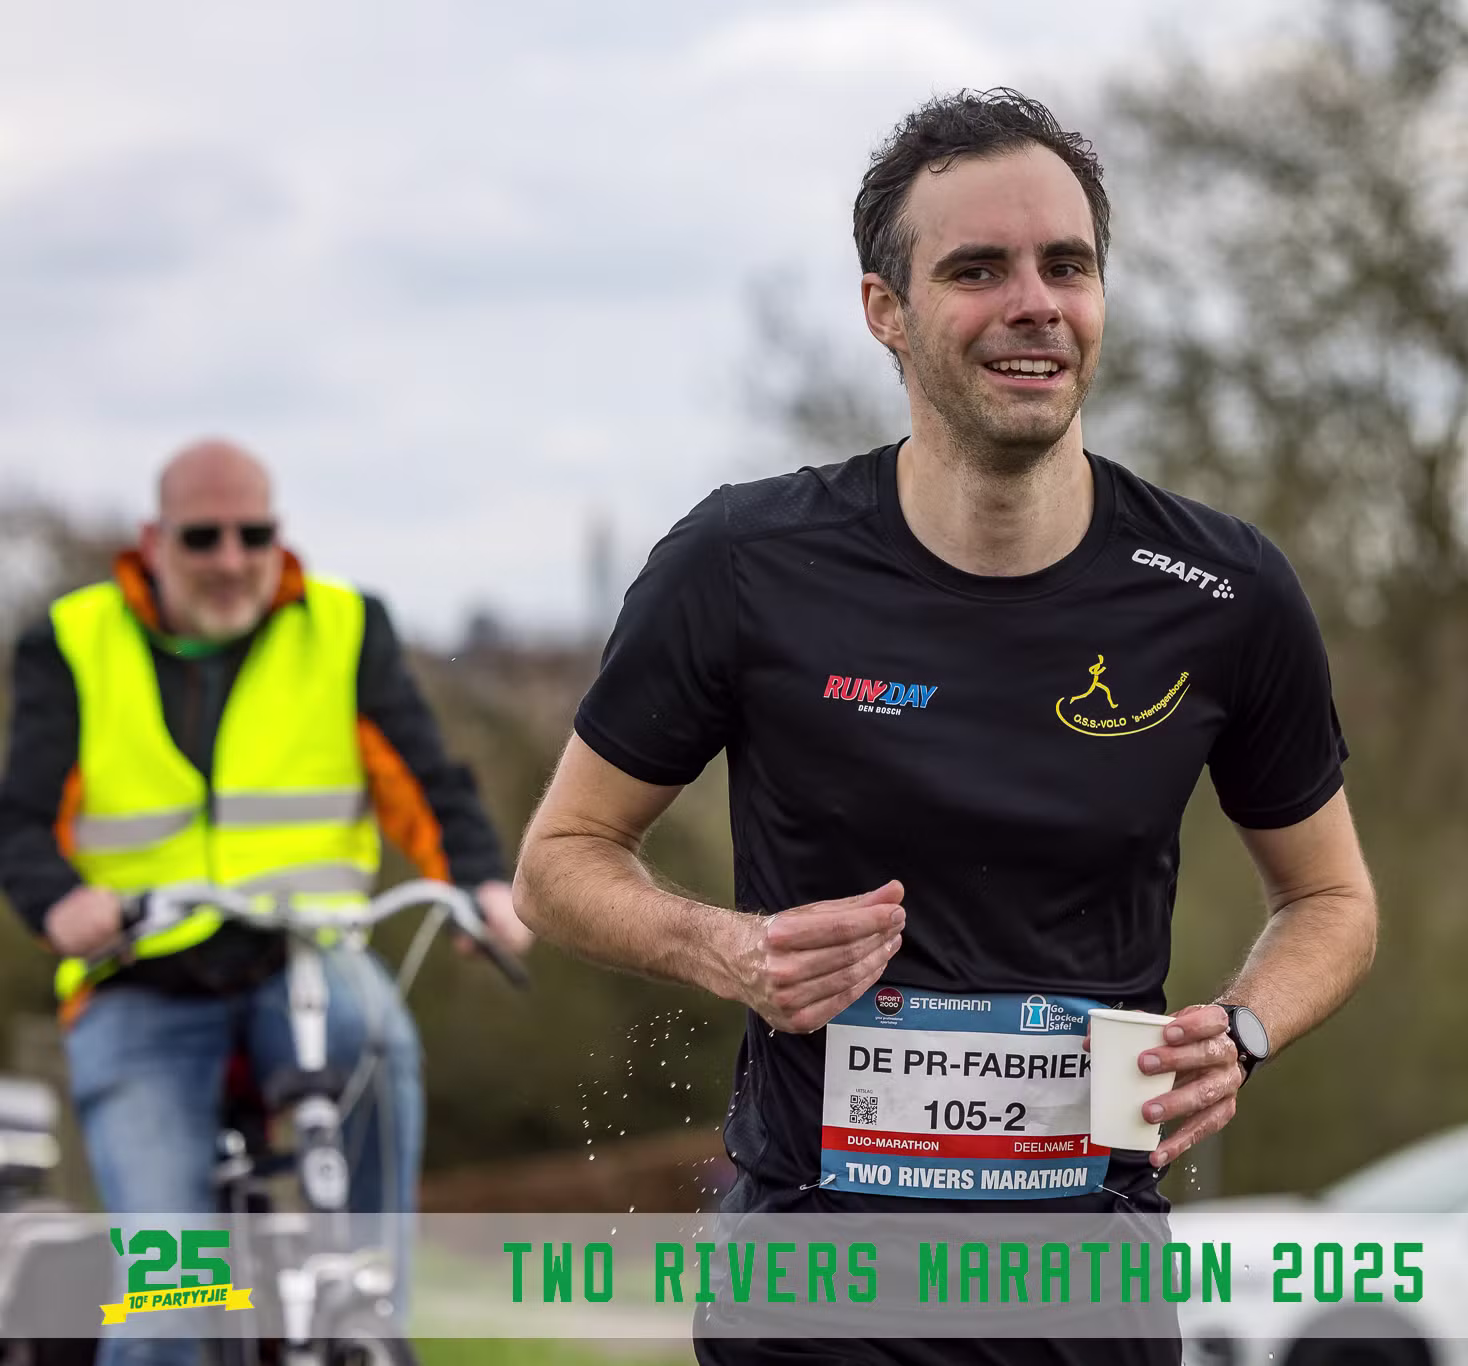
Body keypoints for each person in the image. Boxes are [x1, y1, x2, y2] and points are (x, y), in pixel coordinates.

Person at [514, 88, 1378, 1364]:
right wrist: (727, 948)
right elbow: (558, 861)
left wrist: (1242, 1031)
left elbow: (1331, 899)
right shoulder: (744, 562)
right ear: (886, 310)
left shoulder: (1221, 590)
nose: (1035, 303)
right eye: (978, 270)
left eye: (1066, 266)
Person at [0, 439, 533, 1364]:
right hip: (138, 980)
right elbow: (22, 822)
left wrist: (481, 882)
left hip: (306, 961)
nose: (231, 559)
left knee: (378, 1039)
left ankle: (369, 1312)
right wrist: (59, 905)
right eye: (202, 537)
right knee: (169, 1309)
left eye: (254, 535)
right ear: (153, 541)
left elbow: (427, 783)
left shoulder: (344, 628)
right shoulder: (73, 641)